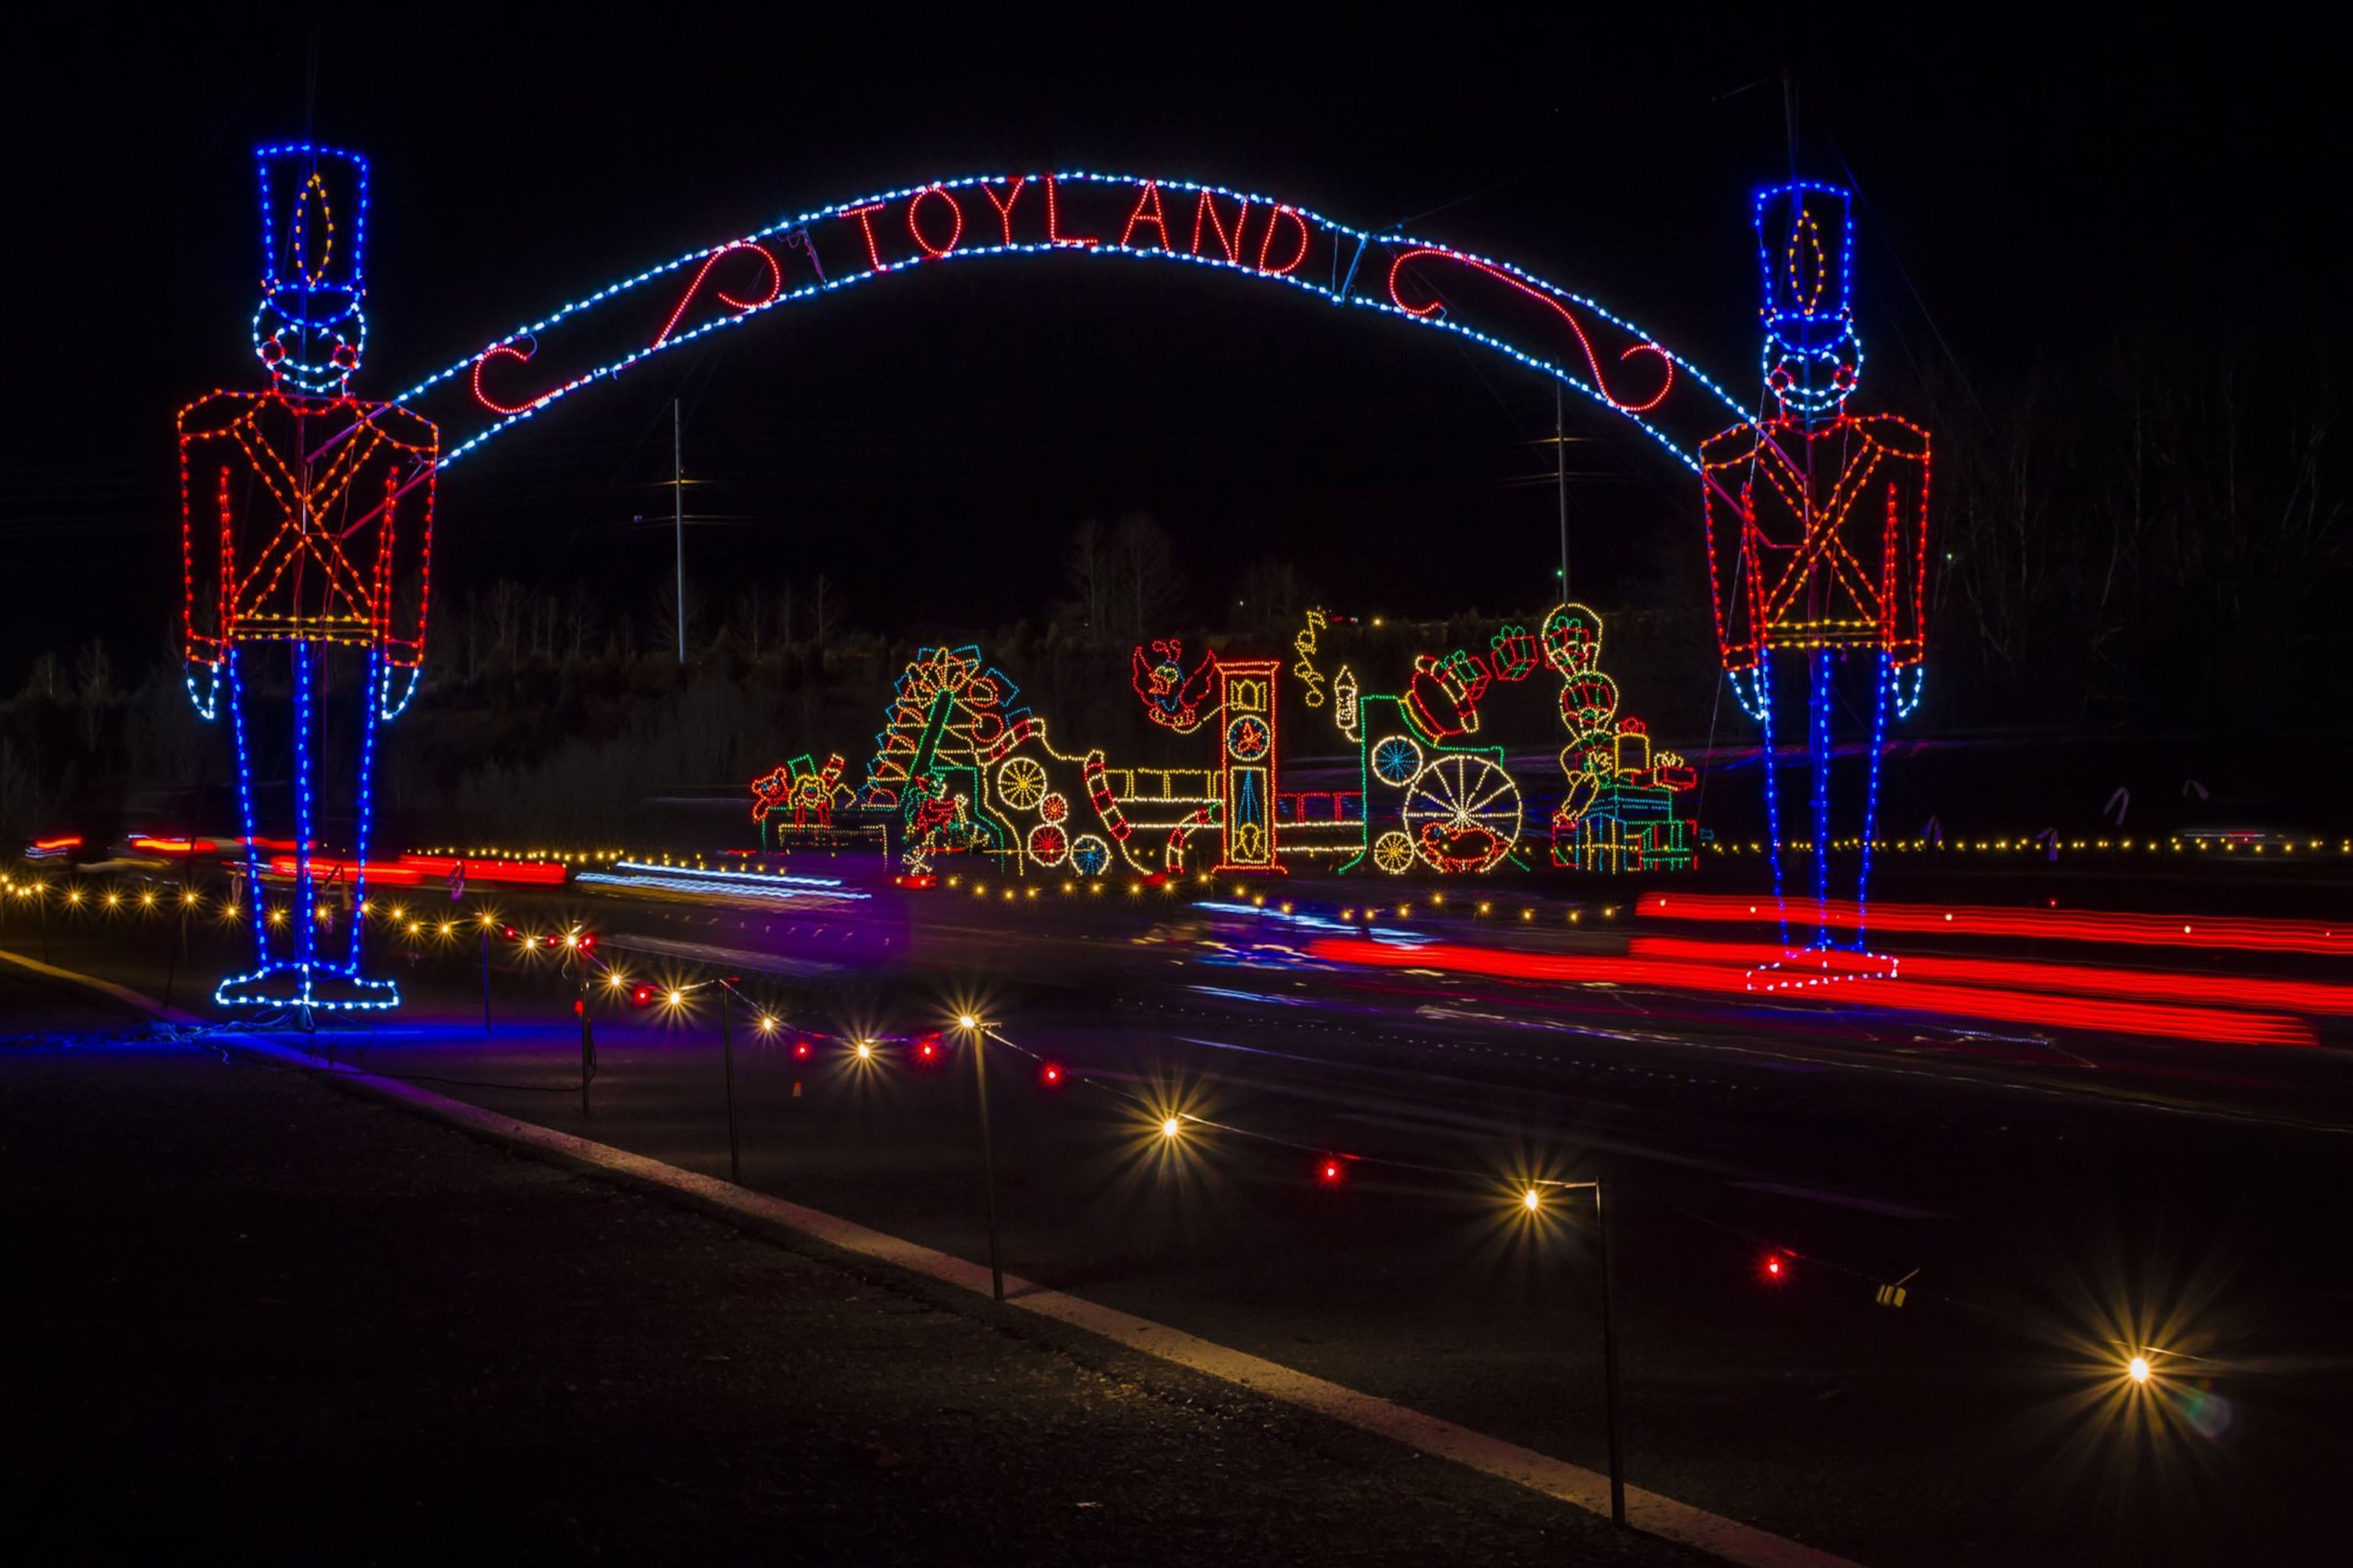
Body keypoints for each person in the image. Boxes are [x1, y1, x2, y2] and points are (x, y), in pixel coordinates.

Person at [179, 144, 438, 1010]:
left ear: (356, 333)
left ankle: (343, 959)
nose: (311, 349)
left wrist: (403, 651)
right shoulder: (219, 432)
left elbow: (406, 547)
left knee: (344, 803)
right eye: (289, 330)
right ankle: (272, 958)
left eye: (332, 332)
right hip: (254, 636)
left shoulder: (401, 438)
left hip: (352, 636)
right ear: (264, 330)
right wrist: (204, 646)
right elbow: (210, 543)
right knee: (265, 803)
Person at [1699, 181, 1929, 982]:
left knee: (1856, 794)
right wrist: (1738, 656)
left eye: (1826, 356)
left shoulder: (1893, 449)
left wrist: (1905, 650)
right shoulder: (1736, 456)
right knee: (1792, 790)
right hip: (1783, 647)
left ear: (1849, 357)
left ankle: (1851, 934)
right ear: (1772, 363)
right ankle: (1802, 935)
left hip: (1862, 640)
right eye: (1792, 359)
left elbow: (1901, 549)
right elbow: (1735, 562)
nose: (1810, 375)